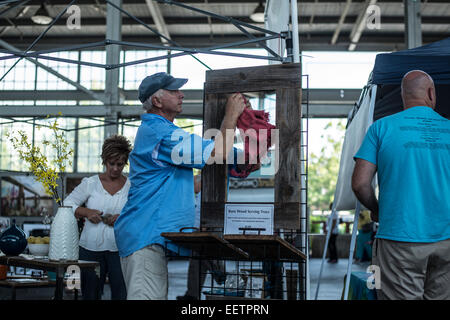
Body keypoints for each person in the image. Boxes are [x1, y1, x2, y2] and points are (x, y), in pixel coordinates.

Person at [114, 72, 249, 300]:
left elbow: (204, 160)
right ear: (156, 101)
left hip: (146, 236)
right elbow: (216, 152)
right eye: (174, 91)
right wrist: (231, 116)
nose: (182, 94)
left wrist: (246, 159)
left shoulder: (161, 132)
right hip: (144, 236)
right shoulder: (161, 134)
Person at [351, 70, 450, 300]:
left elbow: (360, 184)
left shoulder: (381, 128)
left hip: (399, 238)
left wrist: (376, 208)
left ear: (403, 96)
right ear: (431, 93)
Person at [64, 134, 132, 300]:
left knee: (122, 294)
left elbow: (138, 212)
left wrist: (122, 217)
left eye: (120, 164)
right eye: (111, 163)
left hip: (120, 249)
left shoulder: (131, 186)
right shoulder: (90, 183)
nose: (115, 168)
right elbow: (67, 204)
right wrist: (86, 212)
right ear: (104, 160)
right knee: (90, 295)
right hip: (89, 249)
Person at [177, 174, 225, 300]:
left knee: (202, 258)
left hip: (205, 230)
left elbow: (205, 212)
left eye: (193, 184)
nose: (192, 187)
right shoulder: (199, 195)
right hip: (200, 231)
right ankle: (192, 293)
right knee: (197, 262)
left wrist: (203, 228)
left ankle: (219, 272)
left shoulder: (206, 194)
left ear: (200, 183)